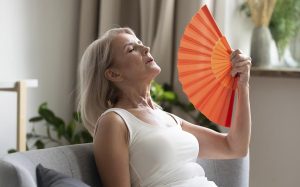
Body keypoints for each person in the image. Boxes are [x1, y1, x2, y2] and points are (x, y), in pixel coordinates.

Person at [78, 27, 251, 187]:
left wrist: (243, 85)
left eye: (140, 43)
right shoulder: (114, 122)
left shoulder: (168, 119)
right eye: (131, 49)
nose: (145, 48)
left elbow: (235, 147)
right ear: (114, 74)